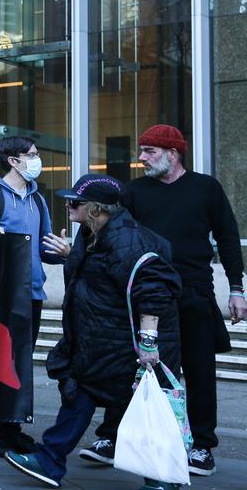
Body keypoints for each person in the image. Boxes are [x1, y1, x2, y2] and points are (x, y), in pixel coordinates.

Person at [80, 125, 244, 476]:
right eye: (141, 150)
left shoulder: (206, 188)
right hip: (146, 295)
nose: (141, 158)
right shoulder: (135, 192)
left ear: (173, 153)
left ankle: (201, 446)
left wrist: (236, 289)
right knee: (132, 367)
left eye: (150, 151)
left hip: (194, 292)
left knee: (199, 372)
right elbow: (114, 235)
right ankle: (112, 437)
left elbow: (228, 238)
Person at [4, 174, 181, 490]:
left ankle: (162, 476)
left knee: (137, 403)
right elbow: (95, 277)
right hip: (97, 341)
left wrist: (149, 342)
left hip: (123, 344)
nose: (69, 205)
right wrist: (69, 255)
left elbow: (153, 290)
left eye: (76, 202)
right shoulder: (92, 235)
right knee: (81, 393)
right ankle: (50, 459)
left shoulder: (129, 240)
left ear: (98, 208)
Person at [0, 136, 67, 457]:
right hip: (1, 295)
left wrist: (62, 251)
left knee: (20, 364)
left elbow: (43, 248)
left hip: (32, 293)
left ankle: (12, 427)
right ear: (13, 160)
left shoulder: (38, 200)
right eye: (32, 155)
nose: (38, 160)